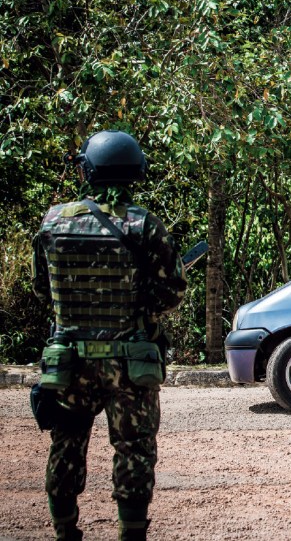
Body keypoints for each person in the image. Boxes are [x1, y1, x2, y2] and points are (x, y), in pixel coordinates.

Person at [31, 130, 187, 540]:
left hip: (70, 360)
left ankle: (65, 531)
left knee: (66, 443)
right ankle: (131, 532)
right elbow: (172, 293)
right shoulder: (144, 225)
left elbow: (40, 288)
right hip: (129, 364)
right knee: (134, 448)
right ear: (135, 170)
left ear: (89, 169)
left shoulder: (54, 221)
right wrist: (140, 312)